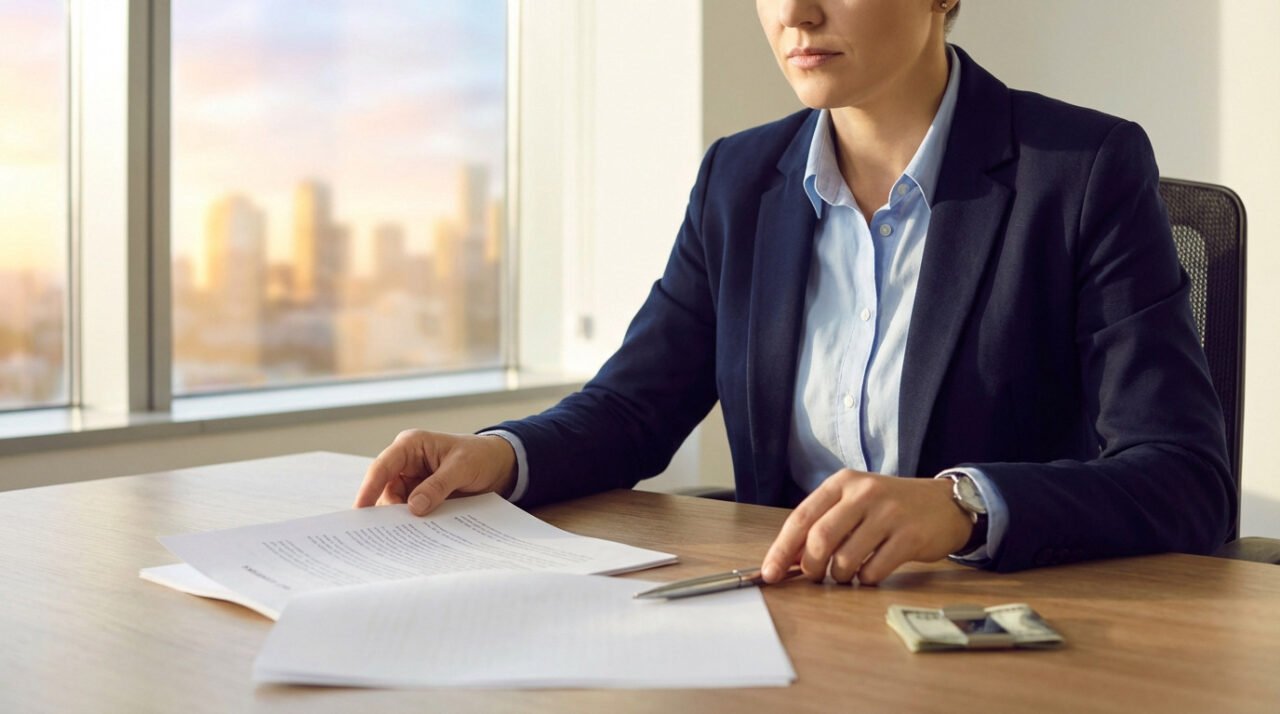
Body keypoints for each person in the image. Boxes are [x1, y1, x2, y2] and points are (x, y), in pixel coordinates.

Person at [354, 0, 1234, 585]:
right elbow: (634, 407)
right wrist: (502, 454)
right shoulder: (741, 178)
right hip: (788, 625)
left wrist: (961, 505)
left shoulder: (1081, 172)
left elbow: (1187, 478)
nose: (795, 13)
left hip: (994, 639)